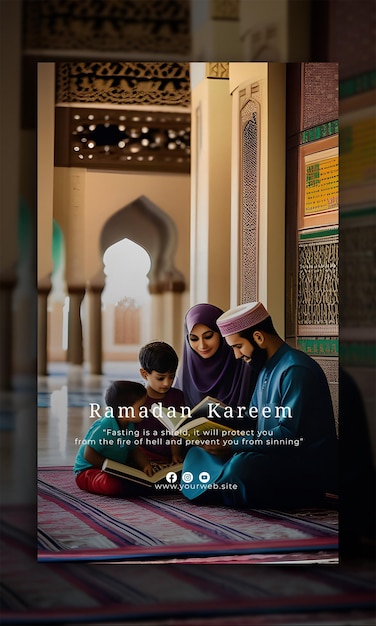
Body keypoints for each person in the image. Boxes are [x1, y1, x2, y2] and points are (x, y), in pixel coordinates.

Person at [181, 302, 338, 509]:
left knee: (242, 466)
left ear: (258, 337)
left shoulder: (296, 369)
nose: (237, 355)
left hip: (299, 464)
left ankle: (223, 487)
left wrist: (233, 443)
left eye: (238, 346)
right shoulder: (264, 369)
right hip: (270, 454)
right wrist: (218, 415)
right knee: (201, 453)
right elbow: (253, 416)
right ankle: (222, 487)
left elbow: (289, 436)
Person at [74, 380, 153, 496]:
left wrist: (146, 465)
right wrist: (112, 467)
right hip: (89, 470)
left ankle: (128, 483)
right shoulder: (105, 426)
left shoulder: (130, 425)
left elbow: (133, 449)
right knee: (111, 484)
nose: (145, 410)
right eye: (141, 408)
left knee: (141, 471)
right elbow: (88, 454)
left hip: (117, 468)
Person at [176, 303, 258, 410]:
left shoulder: (245, 367)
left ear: (221, 333)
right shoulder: (183, 376)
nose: (202, 345)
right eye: (194, 339)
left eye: (208, 336)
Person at [139, 341, 185, 464]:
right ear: (144, 374)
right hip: (141, 457)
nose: (167, 383)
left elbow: (176, 431)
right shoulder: (137, 399)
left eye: (172, 377)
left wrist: (175, 454)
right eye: (160, 378)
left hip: (168, 457)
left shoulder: (177, 397)